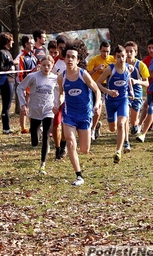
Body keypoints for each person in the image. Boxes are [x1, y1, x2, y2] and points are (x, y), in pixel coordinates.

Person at [53, 40, 101, 186]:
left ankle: (94, 127)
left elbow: (97, 90)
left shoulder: (83, 74)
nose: (70, 59)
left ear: (78, 60)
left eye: (73, 57)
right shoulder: (62, 77)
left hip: (85, 114)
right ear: (64, 58)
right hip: (70, 115)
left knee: (84, 149)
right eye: (68, 56)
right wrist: (57, 104)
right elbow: (61, 94)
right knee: (70, 141)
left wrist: (97, 104)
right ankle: (79, 175)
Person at [17, 55, 57, 175]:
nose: (46, 67)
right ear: (40, 65)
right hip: (34, 110)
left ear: (52, 66)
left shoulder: (55, 78)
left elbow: (60, 91)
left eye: (48, 65)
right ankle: (36, 131)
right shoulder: (33, 76)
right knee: (34, 140)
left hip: (48, 110)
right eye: (44, 65)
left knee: (46, 136)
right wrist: (23, 104)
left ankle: (43, 165)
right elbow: (20, 88)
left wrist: (57, 104)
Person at [96, 45, 134, 162]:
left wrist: (131, 90)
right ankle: (123, 139)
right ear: (114, 57)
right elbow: (97, 83)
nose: (121, 59)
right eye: (118, 57)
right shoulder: (110, 69)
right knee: (112, 128)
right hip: (110, 101)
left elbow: (127, 79)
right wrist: (109, 91)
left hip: (123, 100)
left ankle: (118, 151)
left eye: (123, 56)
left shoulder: (128, 68)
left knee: (121, 124)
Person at [87, 41, 115, 140]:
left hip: (107, 86)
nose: (105, 54)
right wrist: (96, 69)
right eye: (103, 51)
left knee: (98, 110)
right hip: (94, 86)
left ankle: (93, 129)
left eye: (107, 51)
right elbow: (87, 75)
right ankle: (93, 127)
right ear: (100, 50)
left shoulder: (113, 59)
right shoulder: (93, 60)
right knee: (93, 110)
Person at [136, 37, 153, 142]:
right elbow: (140, 75)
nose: (151, 50)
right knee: (152, 110)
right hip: (151, 91)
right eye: (149, 48)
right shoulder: (144, 61)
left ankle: (143, 133)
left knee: (151, 109)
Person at [124, 41, 149, 139]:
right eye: (127, 51)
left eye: (131, 51)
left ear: (136, 52)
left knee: (133, 122)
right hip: (125, 94)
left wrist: (136, 81)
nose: (129, 54)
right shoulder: (120, 64)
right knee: (124, 116)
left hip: (137, 94)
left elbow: (147, 83)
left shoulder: (141, 65)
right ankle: (125, 139)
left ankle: (135, 126)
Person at [0, 32, 19, 134]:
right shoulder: (0, 53)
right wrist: (12, 63)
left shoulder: (8, 52)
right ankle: (6, 128)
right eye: (11, 40)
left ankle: (7, 127)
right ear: (7, 41)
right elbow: (1, 69)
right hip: (6, 81)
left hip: (11, 80)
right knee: (6, 106)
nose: (13, 42)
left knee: (8, 106)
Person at [15, 35, 38, 134]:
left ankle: (33, 126)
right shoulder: (21, 57)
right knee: (25, 106)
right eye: (31, 43)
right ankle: (23, 127)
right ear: (26, 44)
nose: (33, 45)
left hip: (34, 85)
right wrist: (22, 87)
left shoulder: (33, 56)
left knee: (33, 106)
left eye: (33, 43)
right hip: (25, 86)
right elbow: (20, 74)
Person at [51, 35, 68, 160]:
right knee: (56, 124)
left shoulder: (71, 61)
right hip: (56, 97)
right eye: (60, 47)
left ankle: (63, 144)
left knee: (66, 124)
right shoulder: (53, 63)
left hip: (69, 97)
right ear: (57, 47)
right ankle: (57, 148)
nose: (62, 50)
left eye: (64, 47)